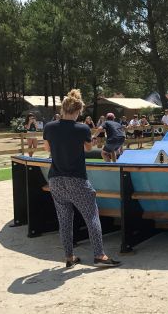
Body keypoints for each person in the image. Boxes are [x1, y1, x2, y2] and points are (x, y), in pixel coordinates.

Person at [42, 89, 121, 268]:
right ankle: (99, 255)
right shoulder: (83, 128)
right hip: (76, 178)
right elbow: (87, 149)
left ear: (63, 109)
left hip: (55, 179)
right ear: (78, 111)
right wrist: (90, 142)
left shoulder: (49, 127)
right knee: (91, 216)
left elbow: (47, 149)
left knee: (64, 219)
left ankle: (69, 256)